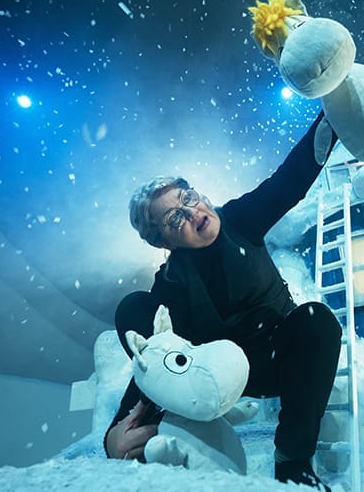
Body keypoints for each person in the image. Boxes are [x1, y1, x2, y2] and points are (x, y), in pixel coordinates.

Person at [104, 111, 341, 491]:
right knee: (134, 306)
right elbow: (157, 357)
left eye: (189, 198)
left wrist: (335, 110)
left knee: (316, 319)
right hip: (217, 378)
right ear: (163, 241)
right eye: (175, 218)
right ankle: (158, 429)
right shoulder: (171, 284)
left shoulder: (240, 219)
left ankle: (293, 462)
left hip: (275, 360)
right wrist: (116, 430)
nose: (192, 212)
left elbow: (292, 177)